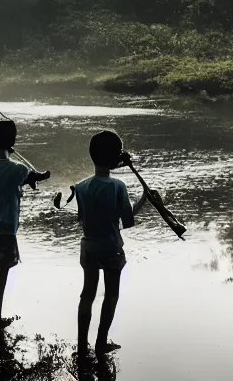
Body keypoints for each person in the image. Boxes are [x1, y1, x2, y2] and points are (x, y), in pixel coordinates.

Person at [73, 130, 148, 356]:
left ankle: (81, 344)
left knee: (87, 294)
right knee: (111, 294)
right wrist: (144, 200)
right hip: (111, 248)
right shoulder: (117, 186)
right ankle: (100, 342)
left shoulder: (80, 187)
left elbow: (81, 219)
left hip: (88, 247)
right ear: (115, 158)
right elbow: (127, 221)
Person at [0, 119, 50, 329]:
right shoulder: (18, 169)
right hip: (7, 228)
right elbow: (35, 176)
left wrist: (30, 179)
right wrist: (39, 177)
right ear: (13, 142)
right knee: (3, 272)